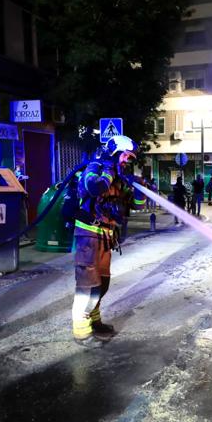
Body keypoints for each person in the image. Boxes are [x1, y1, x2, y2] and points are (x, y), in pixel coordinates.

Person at [71, 135, 144, 345]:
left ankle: (95, 321)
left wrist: (140, 188)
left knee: (102, 283)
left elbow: (136, 205)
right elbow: (93, 187)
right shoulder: (96, 168)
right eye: (125, 156)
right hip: (88, 234)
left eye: (130, 158)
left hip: (106, 236)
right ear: (114, 153)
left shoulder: (119, 177)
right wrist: (111, 172)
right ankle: (82, 332)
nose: (127, 161)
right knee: (88, 285)